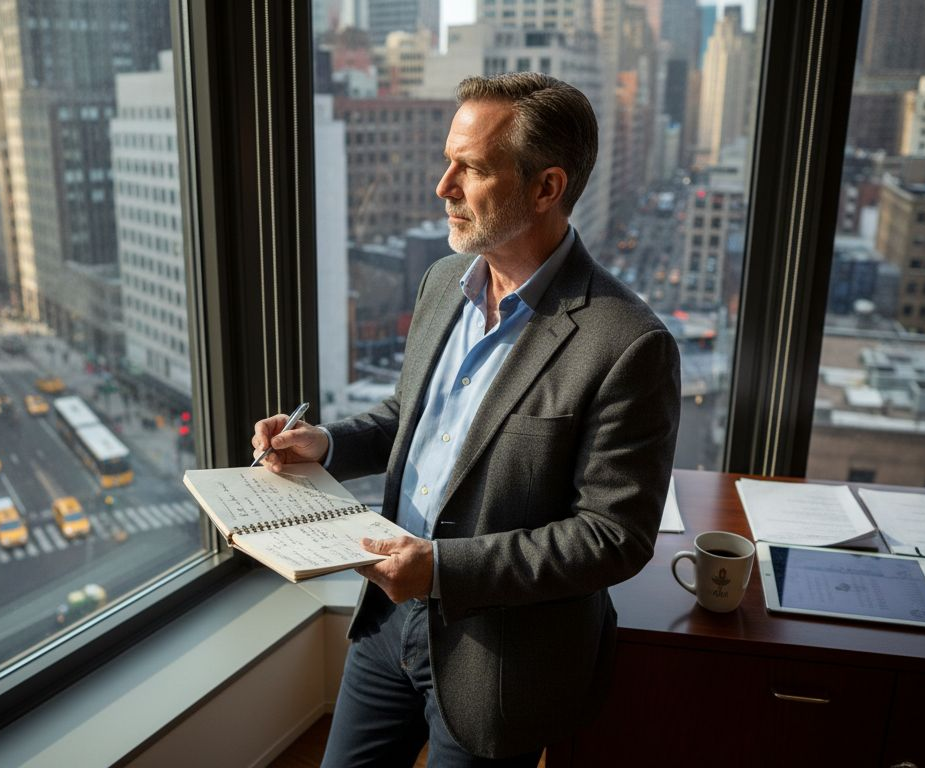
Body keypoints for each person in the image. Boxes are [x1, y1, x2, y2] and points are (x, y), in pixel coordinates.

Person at [252, 73, 680, 766]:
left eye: (472, 168)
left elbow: (613, 536)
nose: (442, 185)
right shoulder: (440, 284)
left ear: (546, 187)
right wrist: (325, 443)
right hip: (386, 624)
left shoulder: (628, 343)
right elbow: (413, 418)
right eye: (448, 161)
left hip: (496, 659)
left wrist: (445, 570)